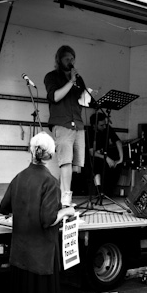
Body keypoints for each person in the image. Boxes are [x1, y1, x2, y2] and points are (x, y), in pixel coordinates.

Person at [0, 132, 76, 293]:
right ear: (50, 155)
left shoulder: (19, 177)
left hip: (19, 249)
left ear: (31, 151)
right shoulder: (50, 182)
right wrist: (66, 211)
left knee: (20, 291)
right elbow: (48, 219)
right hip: (40, 251)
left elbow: (4, 207)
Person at [44, 45, 89, 207]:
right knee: (66, 162)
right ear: (59, 59)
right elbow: (55, 96)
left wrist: (88, 95)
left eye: (72, 58)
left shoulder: (78, 79)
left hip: (78, 124)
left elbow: (81, 101)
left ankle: (63, 196)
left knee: (76, 165)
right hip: (62, 123)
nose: (71, 61)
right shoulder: (52, 76)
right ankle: (65, 200)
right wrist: (71, 81)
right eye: (67, 58)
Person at [87, 111, 124, 197]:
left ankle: (109, 191)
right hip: (95, 157)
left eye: (105, 124)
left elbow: (118, 142)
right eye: (101, 125)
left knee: (117, 165)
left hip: (105, 154)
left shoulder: (107, 128)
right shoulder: (89, 132)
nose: (104, 126)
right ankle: (99, 190)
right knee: (96, 164)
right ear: (94, 125)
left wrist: (121, 159)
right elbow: (92, 152)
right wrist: (106, 158)